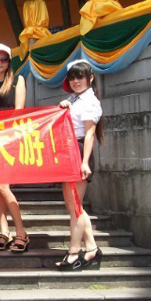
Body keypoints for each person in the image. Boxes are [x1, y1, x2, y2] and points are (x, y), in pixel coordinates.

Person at [56, 59, 103, 271]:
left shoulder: (90, 101)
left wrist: (84, 162)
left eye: (80, 77)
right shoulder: (75, 99)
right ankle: (91, 248)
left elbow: (90, 134)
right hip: (69, 151)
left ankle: (74, 252)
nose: (76, 81)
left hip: (79, 151)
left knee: (75, 206)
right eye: (72, 78)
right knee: (73, 205)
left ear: (90, 78)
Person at [0, 44, 29, 253]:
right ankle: (4, 231)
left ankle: (21, 231)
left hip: (9, 137)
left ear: (9, 61)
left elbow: (19, 111)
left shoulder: (18, 80)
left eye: (3, 59)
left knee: (3, 186)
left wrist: (11, 135)